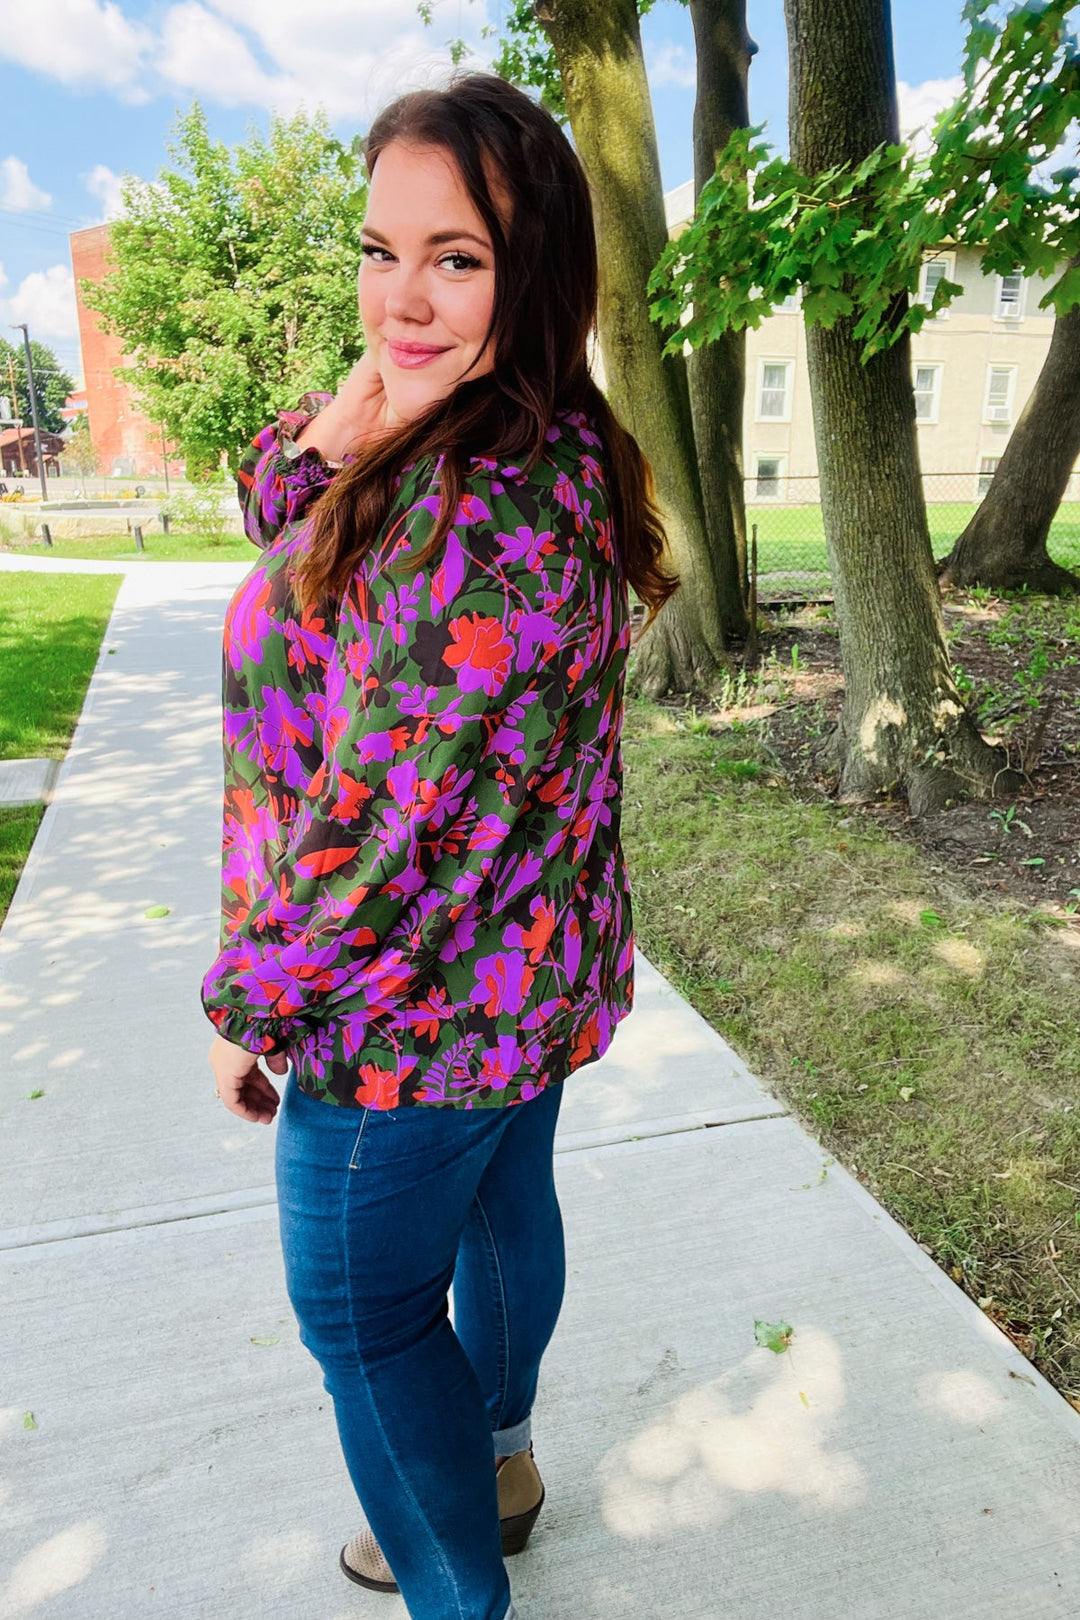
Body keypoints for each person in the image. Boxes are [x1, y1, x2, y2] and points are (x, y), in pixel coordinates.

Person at [202, 71, 677, 1620]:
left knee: (363, 1318)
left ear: (530, 272)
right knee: (502, 1203)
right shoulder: (530, 436)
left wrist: (247, 1003)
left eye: (454, 259)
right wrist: (362, 401)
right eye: (380, 249)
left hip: (402, 1012)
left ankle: (461, 1596)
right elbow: (283, 512)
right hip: (520, 973)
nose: (400, 298)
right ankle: (504, 1463)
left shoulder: (478, 520)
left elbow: (372, 841)